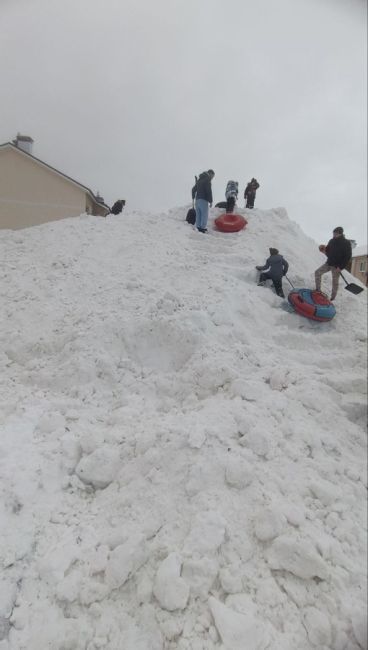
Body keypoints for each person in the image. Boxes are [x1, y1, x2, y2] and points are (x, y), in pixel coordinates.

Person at [315, 226, 352, 301]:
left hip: (337, 266)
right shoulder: (331, 241)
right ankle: (318, 290)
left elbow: (348, 257)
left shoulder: (346, 243)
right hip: (329, 263)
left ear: (340, 234)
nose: (333, 235)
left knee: (335, 282)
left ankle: (333, 297)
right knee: (317, 272)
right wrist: (323, 249)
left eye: (335, 234)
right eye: (333, 233)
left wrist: (341, 267)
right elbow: (328, 250)